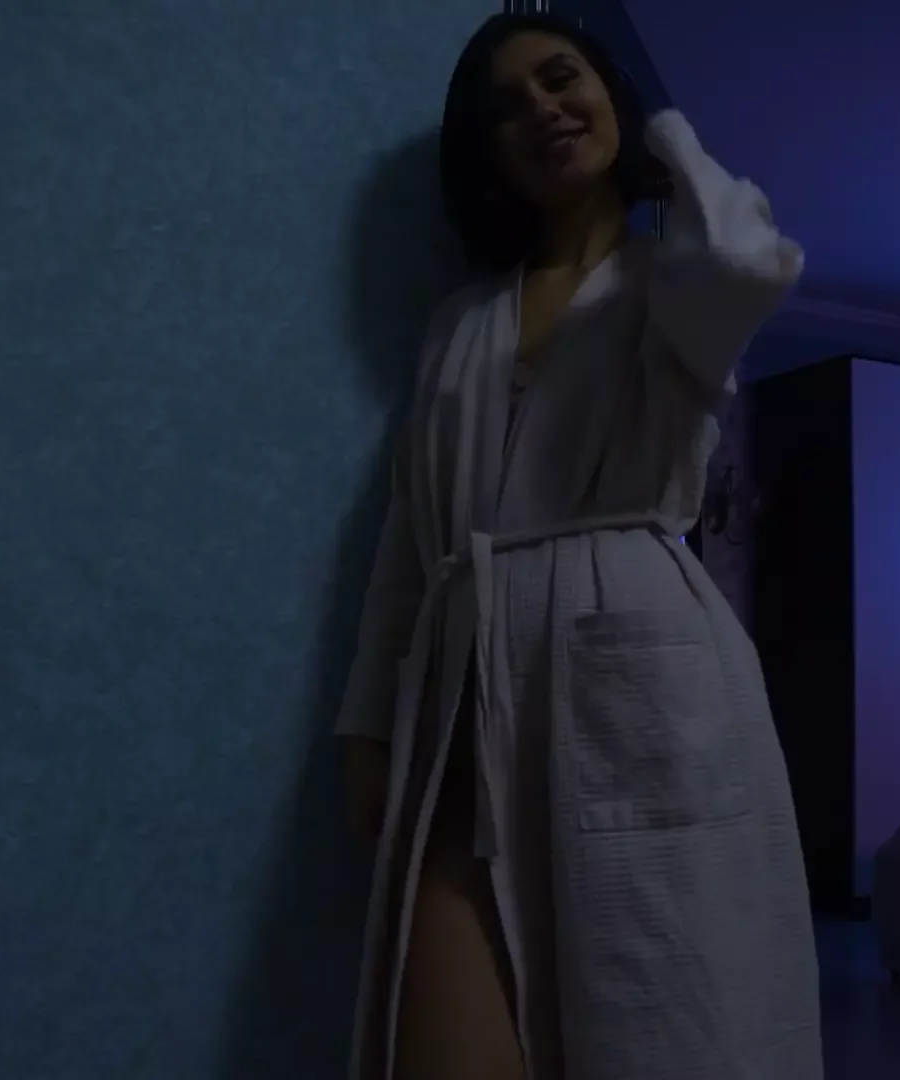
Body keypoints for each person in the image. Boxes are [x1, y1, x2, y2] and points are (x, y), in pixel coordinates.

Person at [334, 12, 822, 1080]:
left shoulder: (673, 285)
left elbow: (745, 256)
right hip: (466, 682)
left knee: (658, 1012)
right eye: (506, 109)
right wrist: (367, 727)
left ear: (616, 96)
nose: (543, 112)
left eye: (563, 80)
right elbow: (411, 538)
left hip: (636, 670)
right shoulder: (462, 321)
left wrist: (665, 135)